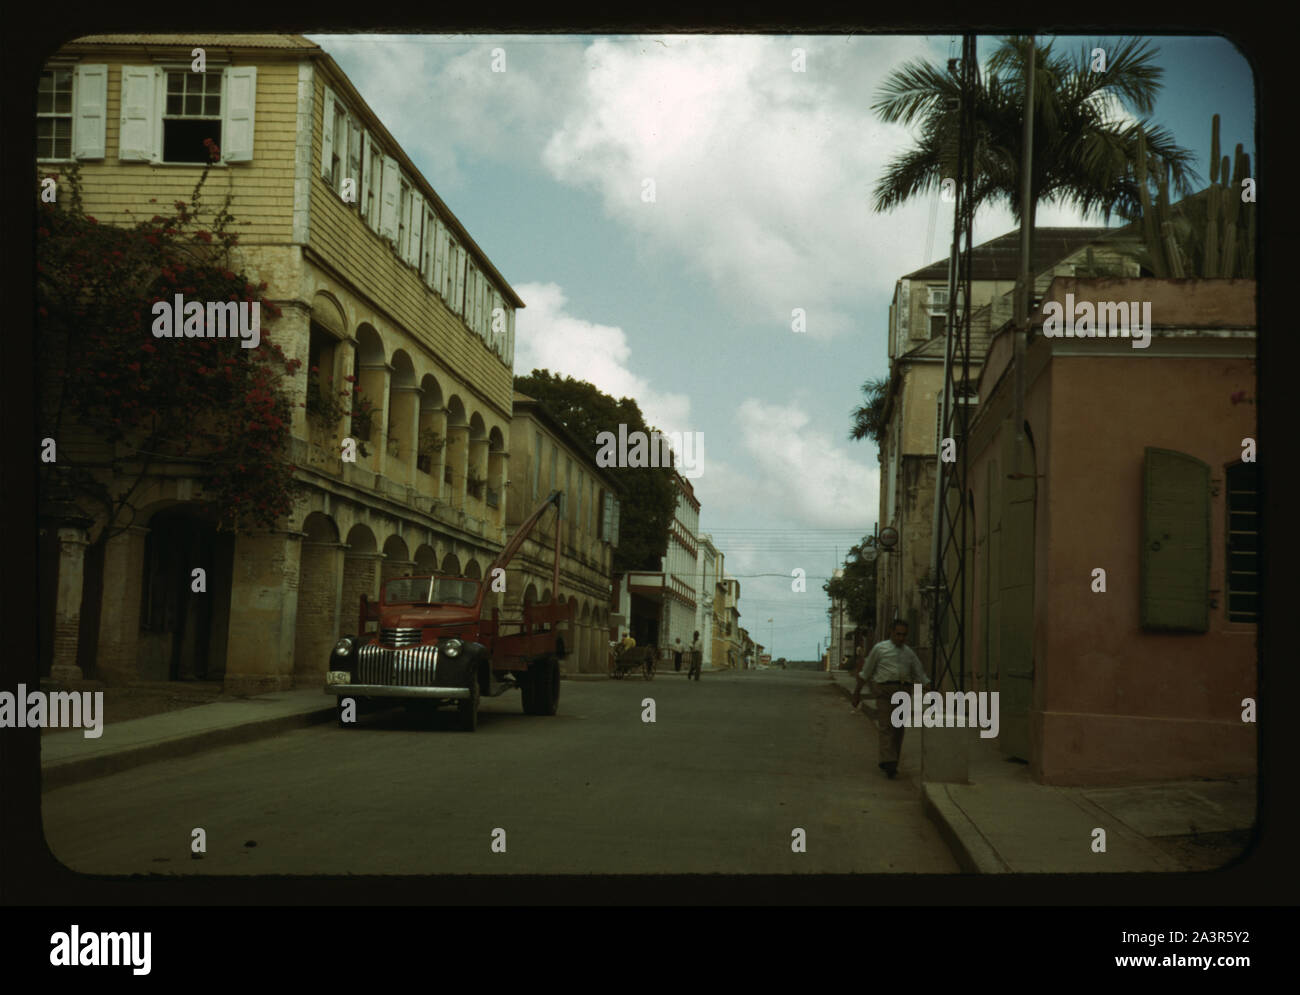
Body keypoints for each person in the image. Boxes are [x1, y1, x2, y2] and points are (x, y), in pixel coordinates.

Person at [853, 620, 929, 779]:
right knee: (886, 726)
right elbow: (866, 672)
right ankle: (889, 762)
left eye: (904, 635)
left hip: (903, 692)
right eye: (898, 634)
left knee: (898, 728)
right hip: (885, 692)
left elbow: (919, 674)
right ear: (891, 632)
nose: (901, 638)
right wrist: (857, 692)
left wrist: (930, 690)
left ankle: (892, 759)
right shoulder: (880, 649)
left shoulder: (909, 653)